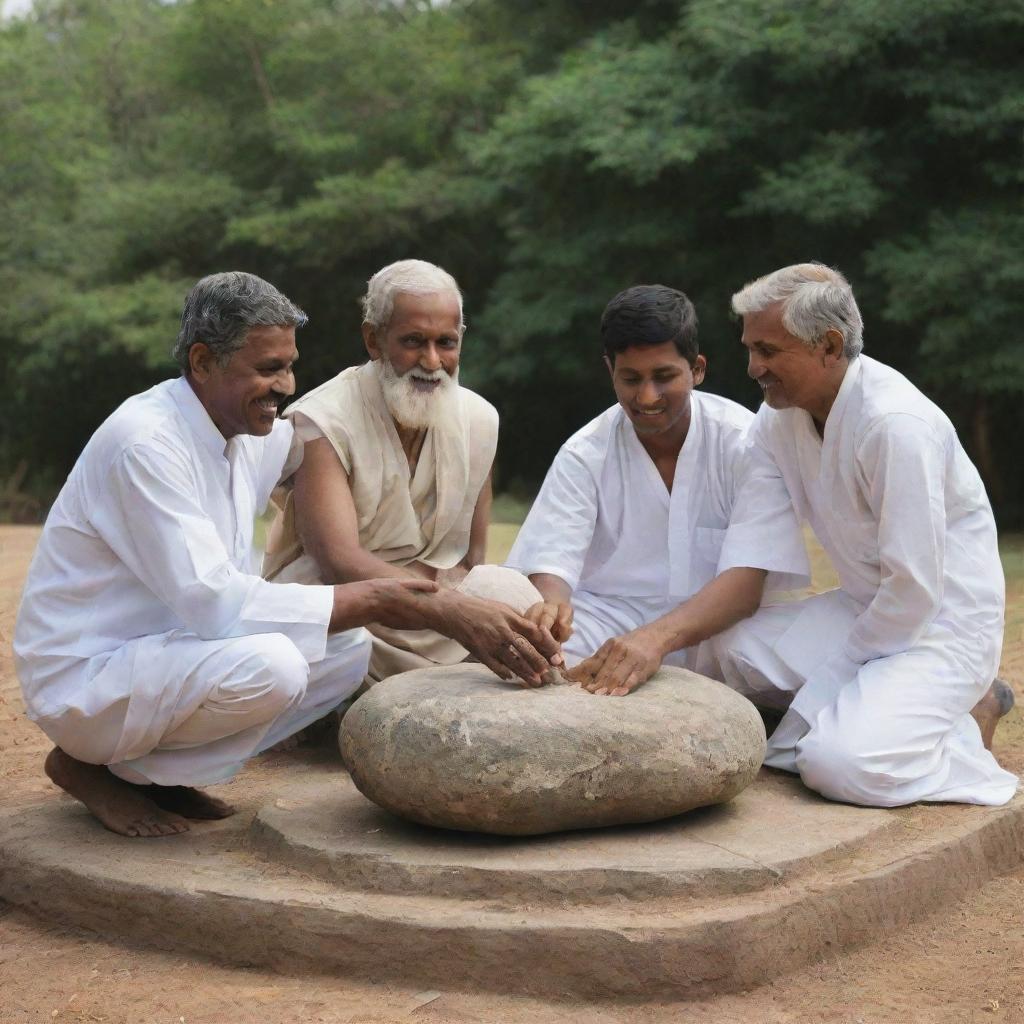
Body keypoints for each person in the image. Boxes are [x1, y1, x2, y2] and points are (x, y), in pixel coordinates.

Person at [13, 272, 559, 840]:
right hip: (91, 675)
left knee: (344, 649)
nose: (287, 384)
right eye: (269, 369)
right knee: (273, 666)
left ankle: (146, 775)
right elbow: (215, 603)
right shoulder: (145, 444)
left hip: (175, 656)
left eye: (290, 366)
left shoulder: (255, 432)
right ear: (202, 362)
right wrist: (411, 602)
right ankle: (87, 763)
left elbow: (360, 450)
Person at [713, 262, 1017, 807]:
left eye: (769, 350)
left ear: (829, 346)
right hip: (862, 610)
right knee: (725, 651)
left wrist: (832, 678)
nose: (754, 367)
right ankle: (874, 712)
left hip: (939, 627)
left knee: (838, 765)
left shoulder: (895, 424)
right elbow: (754, 539)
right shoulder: (777, 416)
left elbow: (914, 592)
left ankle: (965, 721)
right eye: (750, 348)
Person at [505, 284, 810, 696]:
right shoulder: (584, 452)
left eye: (664, 377)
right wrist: (551, 608)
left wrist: (654, 641)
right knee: (510, 618)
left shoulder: (746, 442)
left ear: (697, 369)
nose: (647, 396)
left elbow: (745, 588)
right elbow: (552, 564)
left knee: (810, 654)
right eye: (631, 378)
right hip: (610, 625)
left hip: (724, 631)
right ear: (609, 370)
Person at [265, 259, 550, 682]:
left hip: (440, 608)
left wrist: (507, 615)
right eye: (414, 341)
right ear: (374, 339)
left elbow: (472, 562)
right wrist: (450, 611)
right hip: (353, 607)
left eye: (446, 343)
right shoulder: (321, 421)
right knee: (335, 640)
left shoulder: (479, 419)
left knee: (510, 593)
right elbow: (339, 562)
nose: (432, 361)